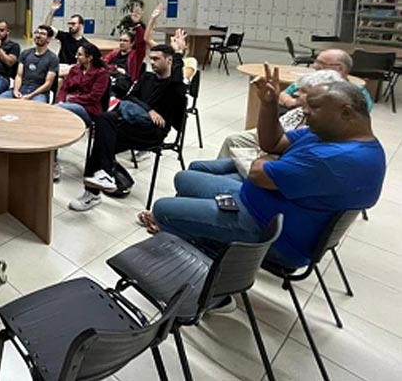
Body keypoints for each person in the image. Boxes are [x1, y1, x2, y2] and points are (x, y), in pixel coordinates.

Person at [140, 66, 385, 275]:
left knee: (164, 210)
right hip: (259, 203)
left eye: (315, 107)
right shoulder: (330, 135)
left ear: (346, 112)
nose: (305, 113)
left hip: (271, 232)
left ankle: (209, 279)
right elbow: (271, 145)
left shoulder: (336, 159)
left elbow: (258, 172)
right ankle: (191, 233)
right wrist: (268, 104)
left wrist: (266, 161)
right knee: (185, 178)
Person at [70, 41, 187, 211]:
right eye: (151, 59)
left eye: (157, 59)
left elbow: (176, 81)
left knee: (102, 140)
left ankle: (96, 190)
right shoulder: (147, 77)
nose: (152, 62)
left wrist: (177, 54)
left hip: (153, 132)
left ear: (169, 61)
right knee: (103, 120)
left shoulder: (175, 86)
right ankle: (100, 184)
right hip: (131, 124)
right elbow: (129, 98)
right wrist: (149, 110)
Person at [218, 49, 374, 158]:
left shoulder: (355, 94)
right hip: (288, 126)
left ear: (339, 68)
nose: (314, 66)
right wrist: (293, 102)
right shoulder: (311, 80)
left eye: (320, 63)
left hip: (306, 139)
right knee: (233, 140)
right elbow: (285, 93)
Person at [52, 43, 110, 180]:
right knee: (55, 120)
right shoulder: (75, 69)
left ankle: (52, 161)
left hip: (89, 110)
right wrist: (61, 100)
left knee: (57, 111)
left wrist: (71, 101)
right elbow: (64, 89)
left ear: (89, 58)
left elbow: (94, 97)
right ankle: (52, 161)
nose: (76, 56)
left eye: (79, 54)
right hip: (67, 106)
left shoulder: (101, 73)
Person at [0, 25, 59, 103]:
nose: (38, 35)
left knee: (37, 108)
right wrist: (16, 91)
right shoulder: (25, 53)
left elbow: (48, 84)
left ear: (49, 39)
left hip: (39, 93)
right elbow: (19, 75)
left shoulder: (53, 58)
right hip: (22, 88)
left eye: (42, 34)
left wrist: (30, 96)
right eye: (37, 33)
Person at [144, 3, 197, 83]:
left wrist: (178, 51)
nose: (176, 41)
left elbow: (182, 79)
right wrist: (152, 19)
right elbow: (147, 39)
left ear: (186, 46)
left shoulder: (190, 60)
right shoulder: (165, 53)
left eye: (179, 39)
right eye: (175, 39)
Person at [44, 0, 89, 65]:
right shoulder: (64, 36)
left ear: (81, 26)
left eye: (73, 24)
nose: (70, 26)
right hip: (60, 66)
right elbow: (47, 28)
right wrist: (52, 12)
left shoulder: (85, 44)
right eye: (69, 24)